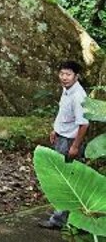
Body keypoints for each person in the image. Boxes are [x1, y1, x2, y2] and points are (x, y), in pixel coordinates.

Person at [39, 60, 89, 230]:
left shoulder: (78, 96)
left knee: (66, 182)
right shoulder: (67, 90)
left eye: (68, 74)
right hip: (62, 138)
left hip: (70, 142)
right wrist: (55, 130)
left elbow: (84, 124)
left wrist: (75, 146)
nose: (64, 78)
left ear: (76, 76)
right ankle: (63, 216)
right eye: (62, 74)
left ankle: (59, 221)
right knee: (61, 179)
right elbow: (63, 113)